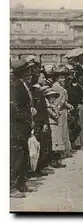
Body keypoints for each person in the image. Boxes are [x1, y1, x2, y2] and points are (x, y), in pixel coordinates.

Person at [10, 59, 36, 198]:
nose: (30, 71)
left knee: (23, 156)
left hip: (22, 127)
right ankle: (10, 188)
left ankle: (21, 184)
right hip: (16, 128)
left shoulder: (22, 84)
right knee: (16, 157)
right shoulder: (14, 86)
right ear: (23, 71)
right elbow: (14, 108)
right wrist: (27, 117)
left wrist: (30, 111)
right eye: (28, 69)